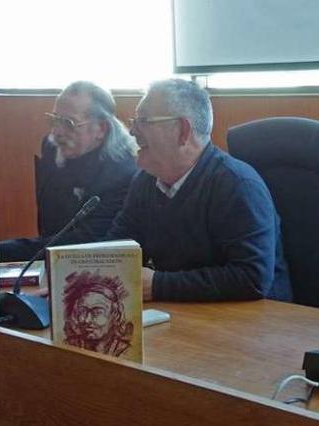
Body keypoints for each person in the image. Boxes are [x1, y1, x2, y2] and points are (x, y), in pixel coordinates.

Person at [105, 78, 292, 302]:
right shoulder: (144, 182)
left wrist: (158, 285)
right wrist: (72, 273)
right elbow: (117, 250)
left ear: (183, 131)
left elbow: (252, 278)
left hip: (255, 321)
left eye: (143, 120)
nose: (132, 130)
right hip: (186, 312)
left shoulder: (238, 185)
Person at [0, 81, 138, 262]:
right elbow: (49, 221)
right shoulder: (51, 146)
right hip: (50, 259)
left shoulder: (122, 173)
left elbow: (83, 243)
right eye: (55, 120)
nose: (57, 132)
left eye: (68, 123)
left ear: (101, 129)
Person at [62, 270, 134, 356]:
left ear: (115, 315)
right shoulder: (68, 347)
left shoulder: (126, 352)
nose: (87, 320)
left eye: (97, 312)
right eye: (82, 311)